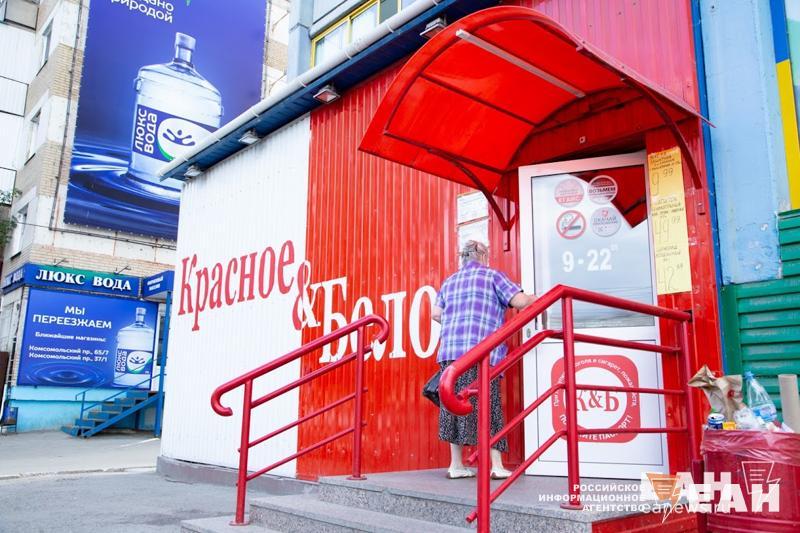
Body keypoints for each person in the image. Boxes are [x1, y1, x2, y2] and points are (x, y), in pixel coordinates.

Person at [432, 240, 537, 480]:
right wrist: (536, 297)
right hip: (480, 353)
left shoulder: (450, 281)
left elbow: (436, 314)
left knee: (454, 406)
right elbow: (520, 302)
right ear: (482, 255)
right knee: (489, 405)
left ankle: (456, 465)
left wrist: (456, 322)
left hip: (451, 353)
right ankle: (496, 465)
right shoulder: (492, 276)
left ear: (463, 257)